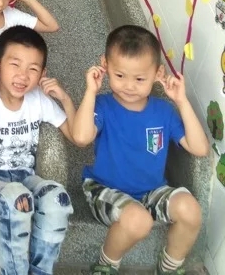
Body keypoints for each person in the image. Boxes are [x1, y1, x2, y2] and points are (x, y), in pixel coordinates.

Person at [72, 25, 209, 275]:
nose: (129, 86)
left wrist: (181, 101)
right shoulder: (102, 105)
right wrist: (90, 91)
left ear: (158, 73)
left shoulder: (163, 111)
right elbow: (80, 138)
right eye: (120, 75)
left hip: (151, 191)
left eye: (139, 79)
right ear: (105, 65)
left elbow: (199, 149)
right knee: (139, 220)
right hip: (104, 189)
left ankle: (168, 268)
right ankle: (105, 266)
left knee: (190, 210)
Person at [0, 26, 77, 275]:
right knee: (18, 198)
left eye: (33, 69)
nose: (22, 76)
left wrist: (65, 99)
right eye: (15, 64)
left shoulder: (38, 99)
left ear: (42, 74)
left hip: (24, 177)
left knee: (57, 199)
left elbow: (76, 136)